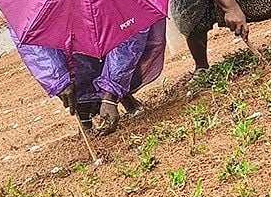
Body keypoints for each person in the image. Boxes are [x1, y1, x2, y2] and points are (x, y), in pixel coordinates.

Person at [13, 22, 166, 136]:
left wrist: (110, 94)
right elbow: (28, 35)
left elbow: (130, 31)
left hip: (109, 24)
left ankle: (120, 96)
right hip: (64, 35)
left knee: (116, 31)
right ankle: (86, 109)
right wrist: (59, 81)